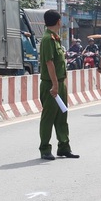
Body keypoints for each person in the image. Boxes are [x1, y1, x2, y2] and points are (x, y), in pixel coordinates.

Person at [38, 9, 79, 160]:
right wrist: (55, 85)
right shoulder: (48, 39)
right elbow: (49, 63)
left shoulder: (55, 38)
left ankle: (64, 147)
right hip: (51, 84)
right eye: (61, 20)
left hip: (59, 83)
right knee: (48, 118)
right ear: (58, 22)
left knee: (62, 116)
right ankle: (45, 149)